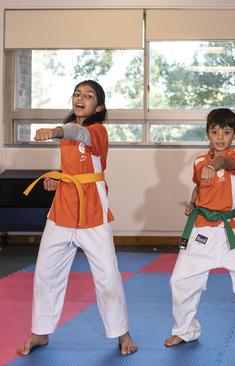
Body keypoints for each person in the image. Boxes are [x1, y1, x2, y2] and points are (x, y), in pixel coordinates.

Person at [18, 80, 137, 355]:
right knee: (46, 274)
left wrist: (57, 130)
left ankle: (122, 333)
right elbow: (73, 169)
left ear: (99, 106)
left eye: (89, 95)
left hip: (93, 212)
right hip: (62, 211)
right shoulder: (68, 137)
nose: (80, 98)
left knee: (108, 275)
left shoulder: (96, 131)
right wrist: (58, 181)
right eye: (77, 94)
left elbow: (75, 133)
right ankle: (40, 332)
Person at [164, 108, 235, 348]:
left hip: (228, 232)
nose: (220, 137)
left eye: (226, 131)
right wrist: (192, 203)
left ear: (234, 135)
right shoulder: (199, 162)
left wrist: (216, 164)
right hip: (200, 231)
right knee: (179, 281)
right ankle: (184, 330)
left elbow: (225, 161)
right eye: (215, 132)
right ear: (207, 134)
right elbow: (198, 188)